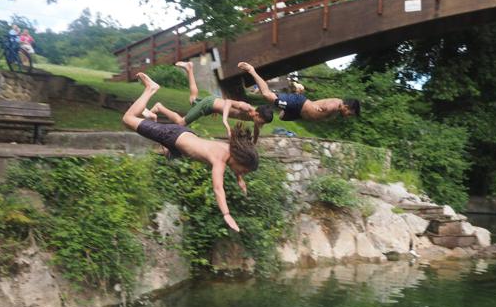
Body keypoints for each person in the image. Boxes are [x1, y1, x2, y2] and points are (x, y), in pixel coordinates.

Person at [122, 72, 259, 232]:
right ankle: (151, 89)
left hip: (181, 139)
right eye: (243, 171)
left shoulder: (231, 149)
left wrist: (239, 178)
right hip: (173, 136)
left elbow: (236, 165)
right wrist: (226, 214)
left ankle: (151, 118)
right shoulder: (220, 160)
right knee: (128, 119)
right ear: (240, 160)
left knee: (166, 153)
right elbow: (218, 188)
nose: (241, 173)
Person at [144, 61, 273, 143]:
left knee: (193, 99)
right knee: (181, 123)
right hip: (209, 105)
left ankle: (189, 69)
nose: (261, 125)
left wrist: (254, 145)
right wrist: (225, 121)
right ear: (257, 115)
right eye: (262, 122)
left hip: (212, 105)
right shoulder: (247, 107)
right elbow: (228, 102)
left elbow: (256, 131)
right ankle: (159, 107)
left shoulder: (255, 119)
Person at [238, 61, 361, 122]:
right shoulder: (334, 106)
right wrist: (317, 107)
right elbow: (321, 107)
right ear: (347, 106)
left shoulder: (337, 108)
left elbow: (320, 109)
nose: (348, 115)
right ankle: (251, 70)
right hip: (298, 104)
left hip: (298, 112)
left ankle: (294, 94)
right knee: (267, 95)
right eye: (350, 113)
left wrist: (317, 109)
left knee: (282, 117)